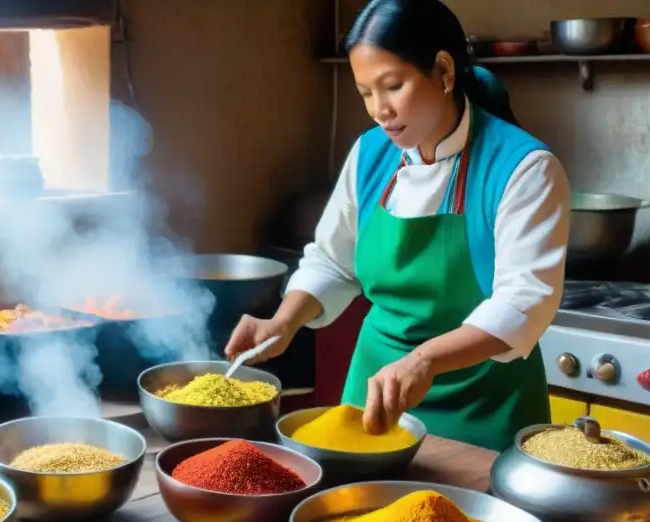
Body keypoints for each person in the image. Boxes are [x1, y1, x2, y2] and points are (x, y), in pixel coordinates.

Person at [225, 0, 569, 452]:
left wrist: (424, 361)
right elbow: (333, 261)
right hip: (375, 401)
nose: (378, 110)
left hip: (485, 408)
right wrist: (283, 321)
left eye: (392, 86)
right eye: (365, 92)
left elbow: (524, 302)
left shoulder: (523, 168)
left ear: (444, 72)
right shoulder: (370, 154)